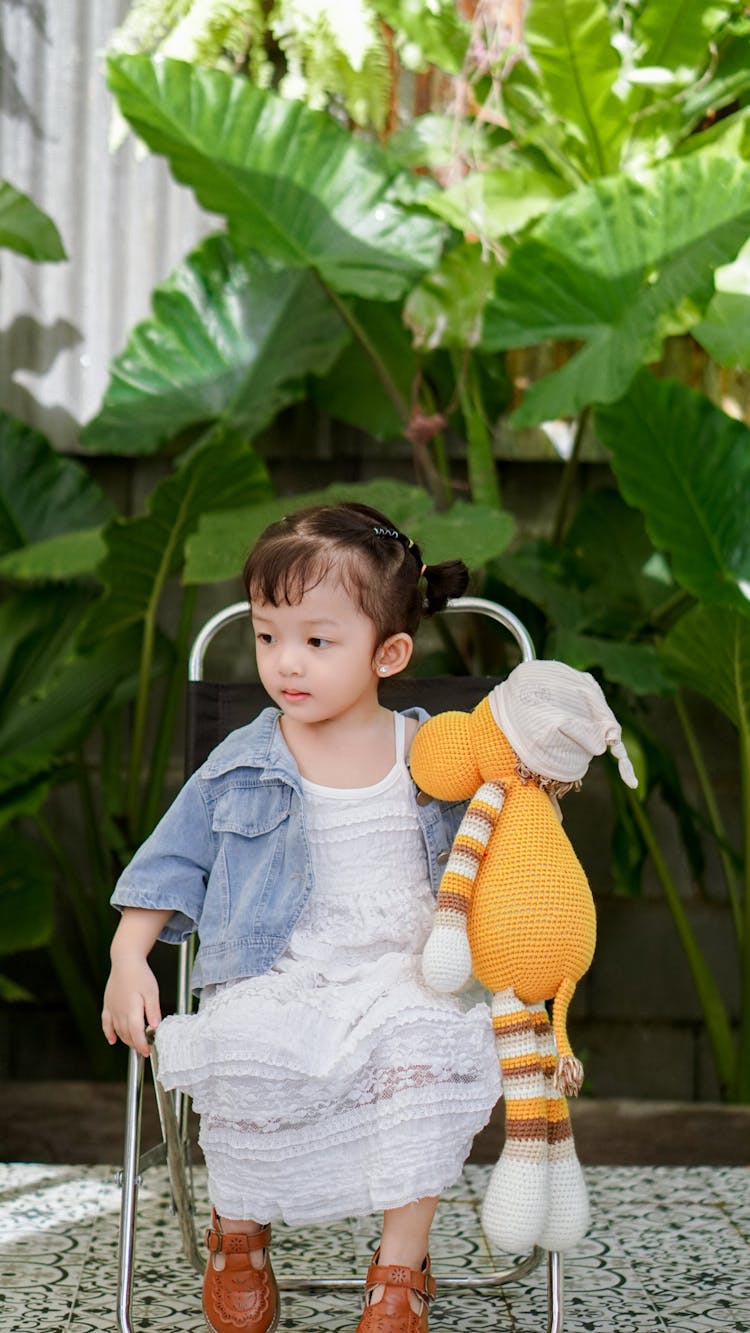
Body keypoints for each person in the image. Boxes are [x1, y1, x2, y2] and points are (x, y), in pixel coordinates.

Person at [102, 501, 502, 1333]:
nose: (287, 662)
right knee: (241, 1045)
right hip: (278, 970)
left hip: (403, 972)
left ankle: (399, 1270)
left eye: (318, 641)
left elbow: (506, 846)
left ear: (388, 653)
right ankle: (239, 1229)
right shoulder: (244, 758)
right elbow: (171, 860)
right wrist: (128, 956)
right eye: (267, 634)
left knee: (428, 1050)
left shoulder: (431, 753)